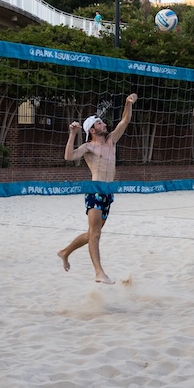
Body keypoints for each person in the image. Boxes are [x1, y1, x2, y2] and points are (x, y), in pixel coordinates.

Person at [58, 94, 137, 283]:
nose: (105, 125)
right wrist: (72, 134)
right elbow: (69, 156)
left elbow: (125, 120)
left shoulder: (111, 141)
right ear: (92, 129)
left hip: (108, 193)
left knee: (92, 233)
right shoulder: (88, 147)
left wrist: (128, 103)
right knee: (95, 234)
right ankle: (99, 272)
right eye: (100, 123)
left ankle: (65, 252)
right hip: (95, 190)